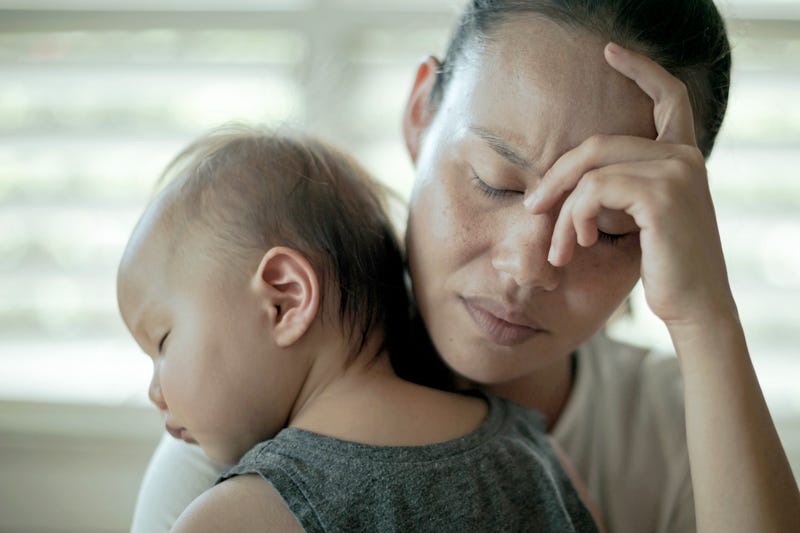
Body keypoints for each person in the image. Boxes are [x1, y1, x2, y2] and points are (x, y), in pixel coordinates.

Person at [130, 1, 800, 532]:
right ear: (420, 114)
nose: (526, 267)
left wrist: (706, 317)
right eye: (494, 181)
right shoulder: (238, 420)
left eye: (607, 227)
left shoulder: (684, 426)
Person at [117, 126, 602, 532]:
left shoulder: (232, 519)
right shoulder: (537, 455)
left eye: (162, 342)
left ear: (285, 301)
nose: (155, 392)